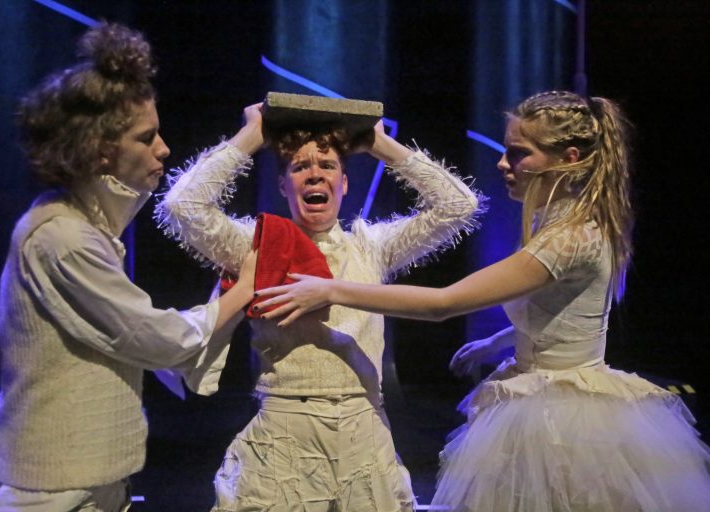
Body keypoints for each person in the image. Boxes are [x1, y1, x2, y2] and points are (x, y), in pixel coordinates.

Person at [255, 90, 710, 511]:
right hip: (541, 394)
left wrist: (331, 288)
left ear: (568, 159)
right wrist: (496, 342)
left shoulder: (568, 239)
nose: (502, 163)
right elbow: (568, 313)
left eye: (518, 153)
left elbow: (444, 303)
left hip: (565, 415)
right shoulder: (560, 223)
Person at [0, 23, 256, 512]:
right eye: (146, 138)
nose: (163, 148)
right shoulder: (61, 235)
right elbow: (151, 336)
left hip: (85, 483)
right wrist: (246, 288)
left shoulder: (87, 225)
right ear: (102, 149)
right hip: (47, 492)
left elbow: (133, 335)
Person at [156, 103, 482, 511]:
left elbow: (458, 206)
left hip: (365, 432)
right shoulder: (258, 246)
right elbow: (182, 206)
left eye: (327, 165)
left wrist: (381, 145)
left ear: (344, 184)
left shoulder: (370, 247)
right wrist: (252, 136)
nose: (314, 173)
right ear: (283, 186)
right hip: (286, 432)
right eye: (299, 166)